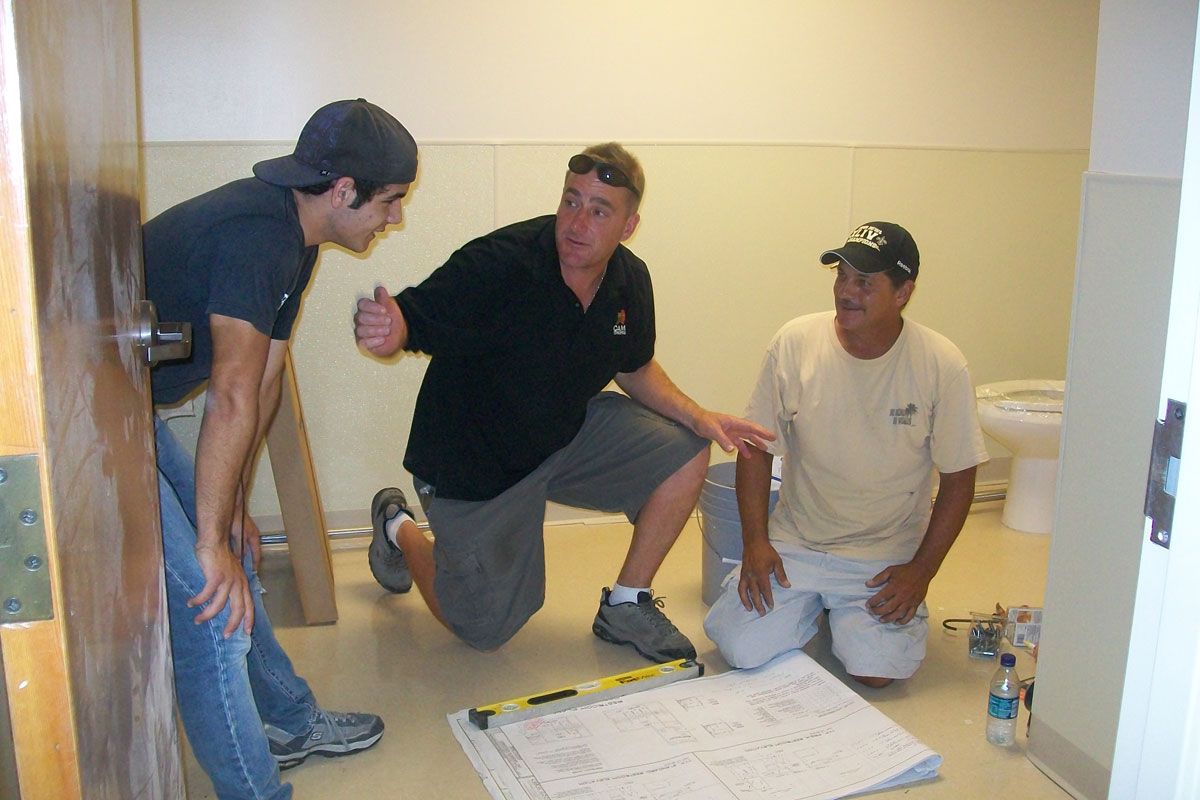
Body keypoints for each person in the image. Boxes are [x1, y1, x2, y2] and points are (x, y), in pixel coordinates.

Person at [354, 143, 773, 661]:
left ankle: (625, 603)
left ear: (628, 225)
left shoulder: (629, 281)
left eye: (599, 210)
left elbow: (633, 366)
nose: (577, 223)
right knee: (483, 628)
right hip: (476, 463)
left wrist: (700, 416)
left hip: (563, 434)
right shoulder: (501, 261)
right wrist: (393, 328)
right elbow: (416, 316)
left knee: (686, 447)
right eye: (571, 201)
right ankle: (399, 525)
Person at [145, 98, 417, 800]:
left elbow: (264, 379)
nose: (396, 219)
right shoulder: (257, 236)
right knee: (212, 614)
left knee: (231, 559)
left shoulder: (296, 239)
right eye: (389, 202)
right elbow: (231, 393)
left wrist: (231, 510)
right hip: (82, 422)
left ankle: (292, 721)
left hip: (122, 410)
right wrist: (209, 543)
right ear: (342, 192)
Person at [703, 222, 988, 688]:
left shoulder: (941, 363)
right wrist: (756, 543)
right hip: (798, 543)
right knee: (741, 649)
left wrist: (920, 572)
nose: (845, 292)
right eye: (841, 276)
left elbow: (960, 479)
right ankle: (816, 608)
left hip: (883, 555)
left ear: (903, 292)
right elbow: (755, 449)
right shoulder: (795, 343)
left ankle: (840, 616)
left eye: (864, 282)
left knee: (875, 672)